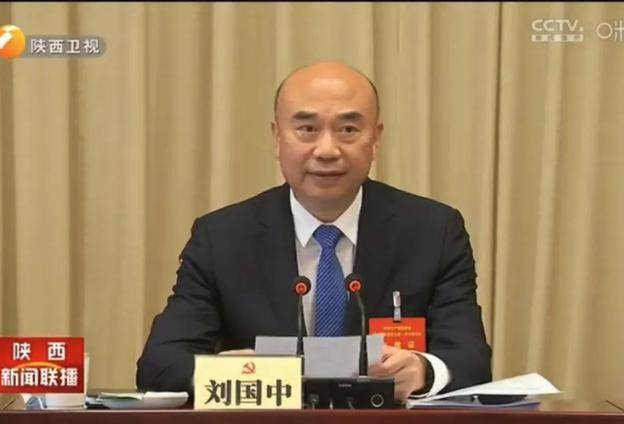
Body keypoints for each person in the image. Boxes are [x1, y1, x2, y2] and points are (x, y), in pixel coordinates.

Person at [137, 61, 492, 401]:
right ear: (277, 137)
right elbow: (160, 364)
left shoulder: (433, 231)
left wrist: (423, 371)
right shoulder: (222, 237)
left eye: (348, 130)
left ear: (375, 138)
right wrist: (224, 371)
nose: (327, 150)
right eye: (307, 129)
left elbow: (470, 361)